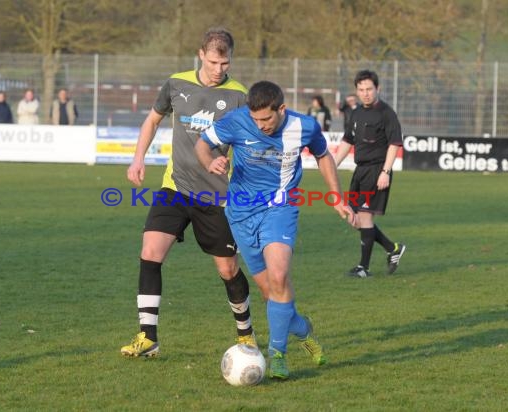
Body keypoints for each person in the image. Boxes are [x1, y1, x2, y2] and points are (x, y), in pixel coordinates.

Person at [195, 80, 357, 379]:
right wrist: (210, 161)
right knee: (272, 294)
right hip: (240, 214)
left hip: (280, 209)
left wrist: (336, 197)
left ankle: (277, 355)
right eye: (256, 120)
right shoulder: (236, 121)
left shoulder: (304, 126)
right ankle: (304, 330)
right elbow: (202, 144)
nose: (261, 126)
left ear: (281, 109)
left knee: (280, 277)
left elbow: (323, 155)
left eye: (267, 119)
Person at [120, 28, 261, 358]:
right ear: (201, 55)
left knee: (227, 270)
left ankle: (246, 334)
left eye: (225, 63)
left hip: (217, 197)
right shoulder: (176, 84)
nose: (219, 69)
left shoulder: (240, 96)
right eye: (213, 61)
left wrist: (233, 165)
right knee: (150, 252)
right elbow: (152, 121)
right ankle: (148, 336)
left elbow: (251, 143)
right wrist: (138, 158)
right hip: (176, 187)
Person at [335, 70, 406, 278]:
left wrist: (386, 171)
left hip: (377, 171)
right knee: (354, 219)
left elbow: (394, 143)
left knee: (365, 218)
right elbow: (347, 140)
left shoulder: (386, 113)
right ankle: (393, 248)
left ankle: (363, 268)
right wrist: (333, 164)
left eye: (369, 89)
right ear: (357, 91)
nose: (365, 93)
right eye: (361, 90)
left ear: (378, 89)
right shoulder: (356, 112)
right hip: (360, 171)